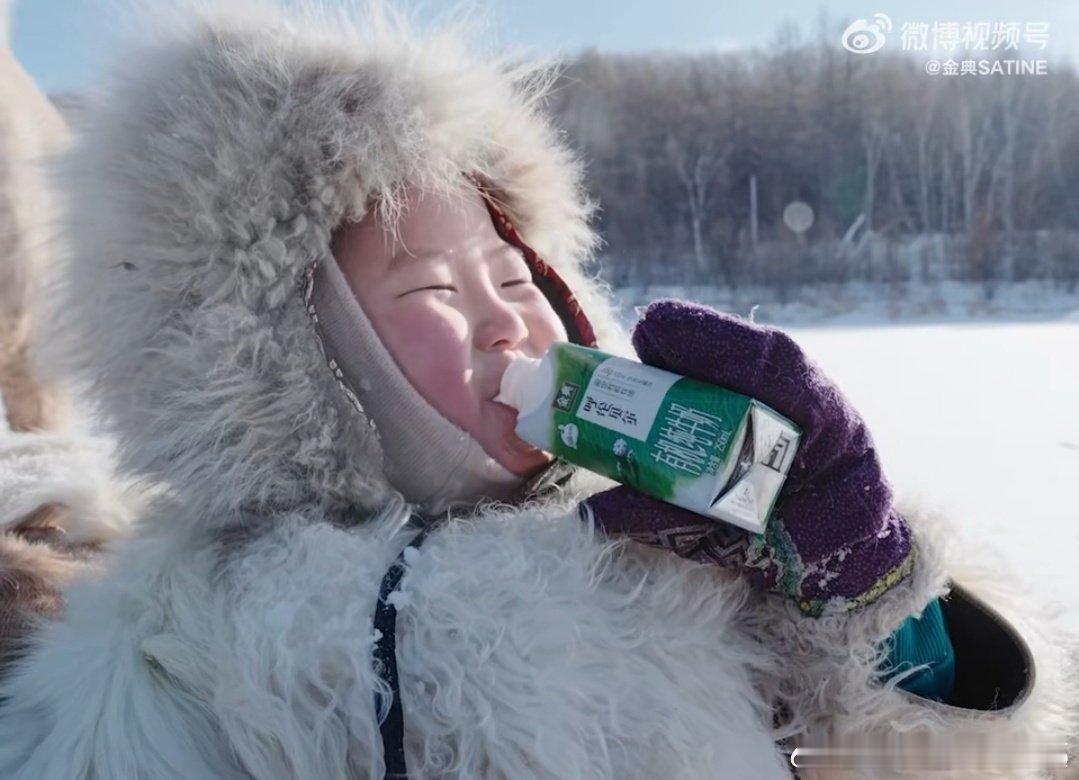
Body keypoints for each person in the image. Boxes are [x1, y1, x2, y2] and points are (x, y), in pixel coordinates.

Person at [0, 4, 1073, 777]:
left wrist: (861, 583)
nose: (508, 317)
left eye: (516, 277)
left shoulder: (682, 543)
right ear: (274, 360)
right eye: (429, 286)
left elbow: (911, 767)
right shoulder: (182, 639)